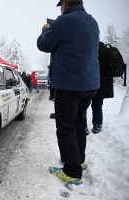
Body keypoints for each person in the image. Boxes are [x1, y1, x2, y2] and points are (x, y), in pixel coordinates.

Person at [37, 0, 100, 185]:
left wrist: (45, 30)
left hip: (69, 85)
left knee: (65, 128)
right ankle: (78, 160)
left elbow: (44, 45)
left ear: (64, 3)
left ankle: (72, 171)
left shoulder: (63, 21)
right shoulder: (92, 21)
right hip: (89, 84)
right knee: (79, 123)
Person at [90, 42, 114, 134]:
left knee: (82, 105)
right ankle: (97, 124)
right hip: (104, 84)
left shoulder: (92, 51)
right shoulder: (107, 53)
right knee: (98, 106)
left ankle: (82, 126)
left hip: (92, 82)